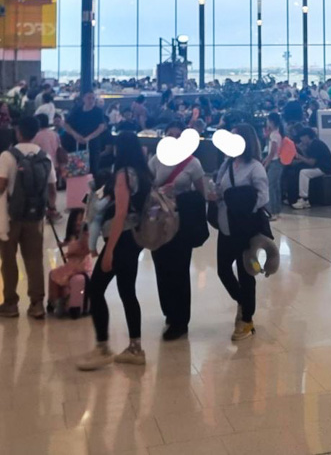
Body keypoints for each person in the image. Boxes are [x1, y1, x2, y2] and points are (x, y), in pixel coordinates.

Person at [77, 133, 152, 369]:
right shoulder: (142, 173)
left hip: (120, 239)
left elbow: (120, 214)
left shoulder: (123, 175)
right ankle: (135, 347)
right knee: (127, 292)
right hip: (134, 238)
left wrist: (108, 250)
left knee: (96, 289)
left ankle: (102, 347)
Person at [0, 116, 56, 320]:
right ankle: (37, 304)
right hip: (35, 216)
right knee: (35, 260)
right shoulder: (44, 156)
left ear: (18, 132)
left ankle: (10, 303)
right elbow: (52, 187)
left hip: (11, 216)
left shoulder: (8, 155)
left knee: (8, 260)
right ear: (35, 133)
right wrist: (51, 208)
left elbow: (0, 185)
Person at [212, 123, 269, 341]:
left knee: (246, 272)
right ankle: (242, 301)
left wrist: (245, 207)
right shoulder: (226, 166)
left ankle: (247, 319)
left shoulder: (255, 167)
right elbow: (219, 188)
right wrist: (215, 195)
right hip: (226, 226)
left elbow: (263, 196)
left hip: (245, 227)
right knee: (223, 270)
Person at [147, 144, 207, 340]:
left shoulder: (193, 163)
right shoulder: (156, 160)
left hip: (182, 224)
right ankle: (169, 311)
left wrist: (179, 195)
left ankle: (181, 320)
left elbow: (201, 196)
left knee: (179, 270)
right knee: (161, 267)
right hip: (159, 222)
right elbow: (147, 186)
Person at [64, 92, 108, 175]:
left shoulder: (98, 111)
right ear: (83, 99)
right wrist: (75, 135)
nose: (91, 100)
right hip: (77, 142)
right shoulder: (77, 110)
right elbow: (66, 124)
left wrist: (89, 137)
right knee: (77, 167)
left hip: (93, 143)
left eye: (93, 98)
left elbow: (101, 127)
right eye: (89, 98)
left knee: (93, 167)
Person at [290, 126, 331, 209]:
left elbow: (311, 163)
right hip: (320, 167)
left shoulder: (315, 144)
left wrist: (299, 156)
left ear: (307, 136)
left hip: (324, 168)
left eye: (302, 137)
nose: (301, 140)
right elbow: (309, 159)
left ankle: (304, 198)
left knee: (304, 173)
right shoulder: (314, 143)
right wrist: (302, 151)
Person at [262, 113, 286, 220]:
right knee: (275, 187)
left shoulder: (273, 135)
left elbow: (272, 152)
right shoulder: (277, 134)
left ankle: (271, 211)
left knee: (270, 187)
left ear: (271, 121)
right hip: (278, 163)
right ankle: (277, 210)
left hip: (274, 163)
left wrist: (266, 163)